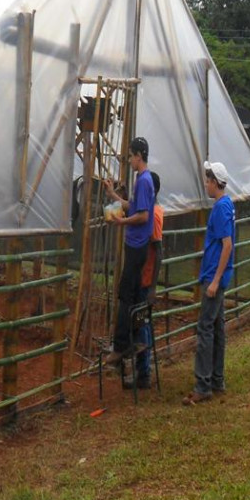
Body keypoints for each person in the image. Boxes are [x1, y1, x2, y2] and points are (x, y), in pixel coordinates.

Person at [183, 162, 235, 406]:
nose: (205, 184)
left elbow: (227, 246)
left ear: (216, 182)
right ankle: (217, 379)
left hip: (215, 276)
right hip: (217, 275)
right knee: (216, 327)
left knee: (205, 328)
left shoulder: (222, 208)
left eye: (207, 180)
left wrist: (214, 281)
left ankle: (203, 385)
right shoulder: (225, 205)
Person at [103, 137, 155, 367]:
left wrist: (121, 223)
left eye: (131, 155)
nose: (129, 160)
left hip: (136, 246)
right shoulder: (142, 180)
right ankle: (134, 340)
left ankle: (120, 346)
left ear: (139, 156)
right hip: (138, 246)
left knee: (125, 295)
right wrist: (114, 196)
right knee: (133, 295)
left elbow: (143, 216)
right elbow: (133, 207)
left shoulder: (143, 181)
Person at [127, 171, 163, 390]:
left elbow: (158, 252)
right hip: (142, 277)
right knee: (140, 324)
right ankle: (142, 372)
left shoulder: (155, 215)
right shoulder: (151, 210)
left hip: (146, 279)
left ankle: (144, 374)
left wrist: (152, 288)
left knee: (142, 325)